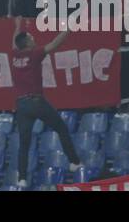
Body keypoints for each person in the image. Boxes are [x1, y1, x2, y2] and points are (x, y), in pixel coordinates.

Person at [10, 18, 81, 188]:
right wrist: (69, 29)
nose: (34, 39)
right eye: (31, 37)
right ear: (26, 42)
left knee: (24, 143)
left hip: (21, 105)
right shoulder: (34, 54)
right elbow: (55, 43)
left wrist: (17, 26)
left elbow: (14, 41)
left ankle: (22, 178)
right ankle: (74, 162)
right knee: (61, 128)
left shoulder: (14, 55)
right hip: (37, 102)